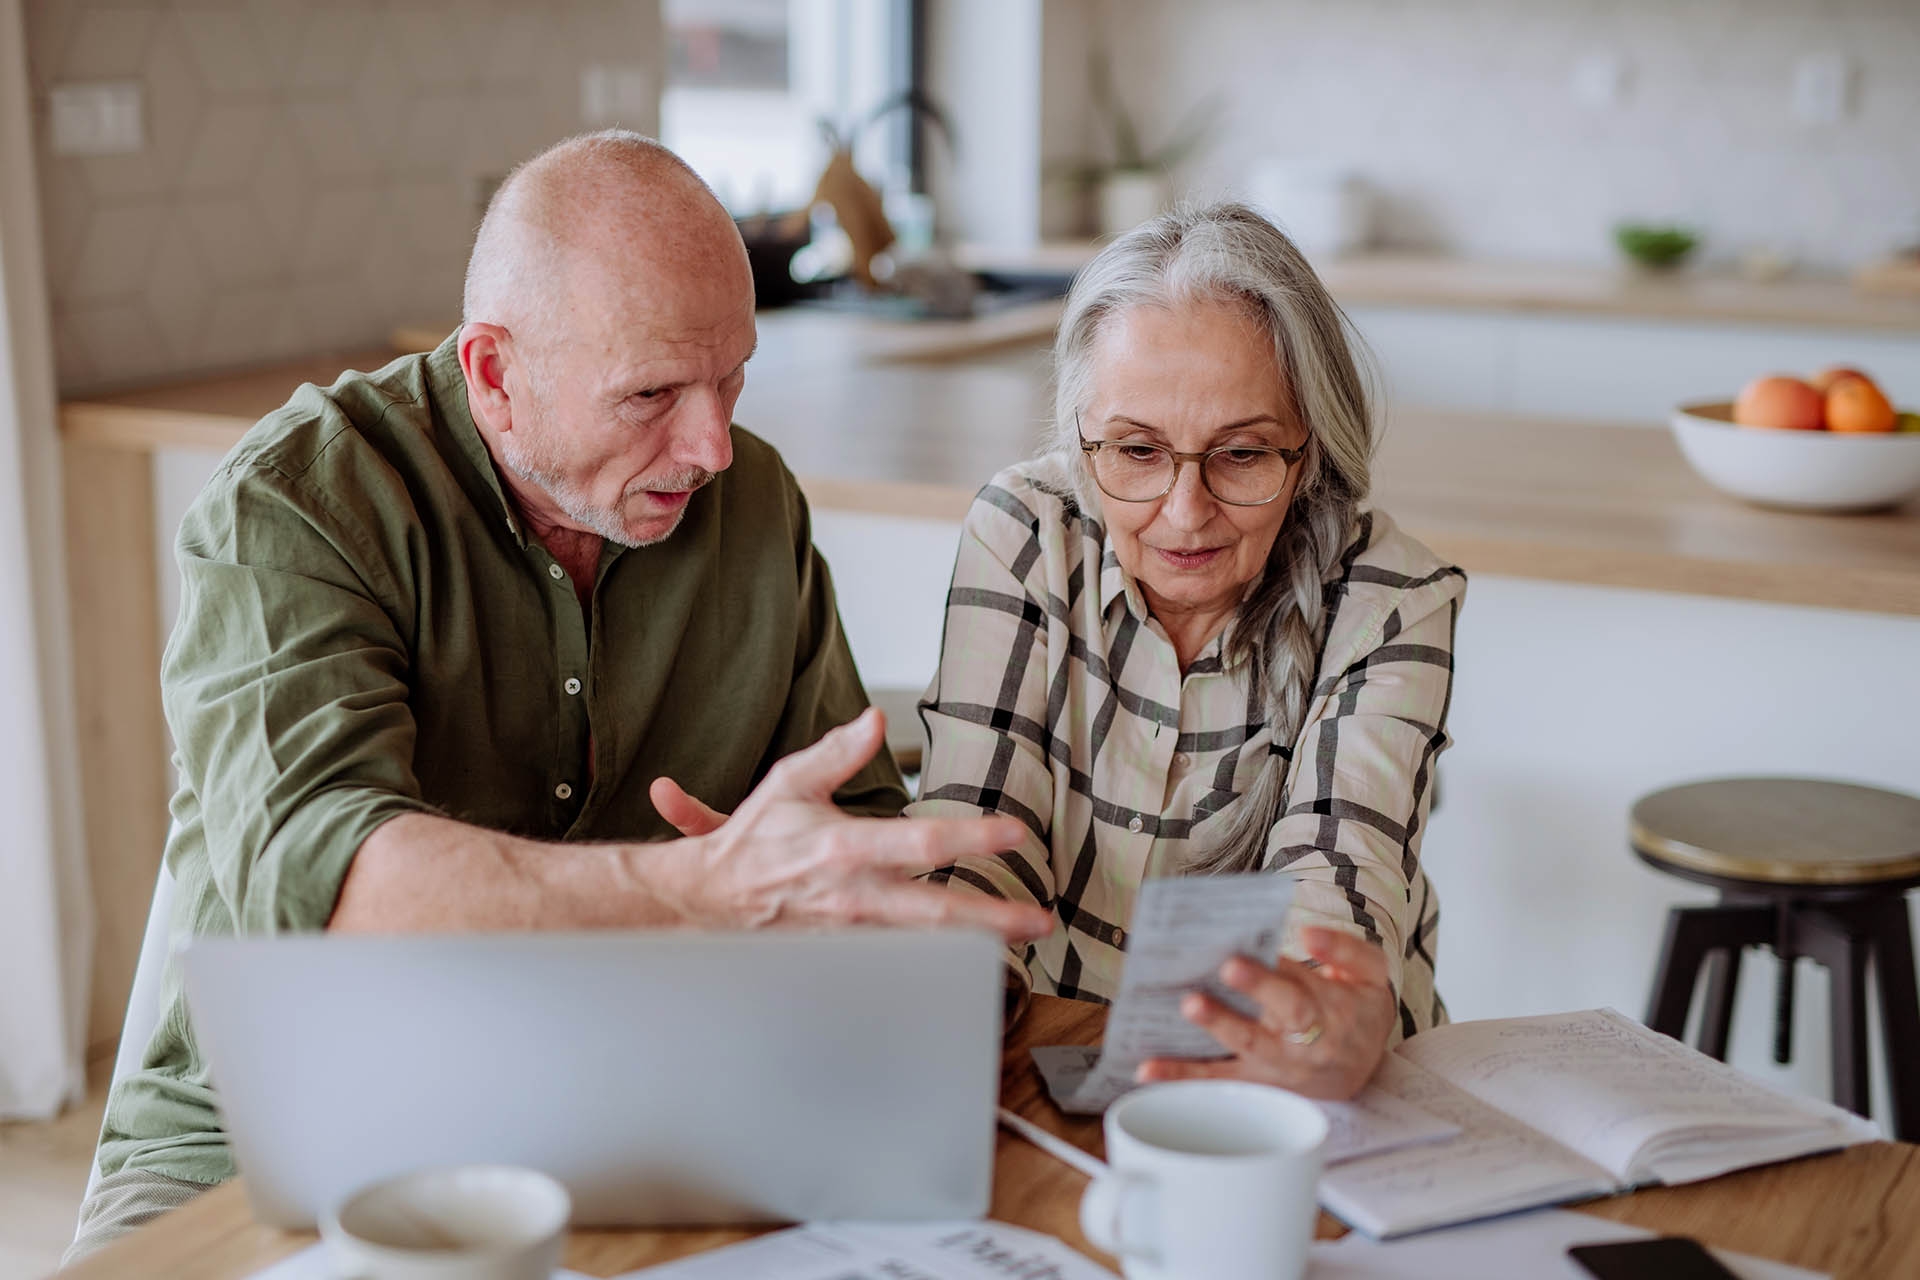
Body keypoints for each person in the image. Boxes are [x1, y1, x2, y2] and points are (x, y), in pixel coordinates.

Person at [67, 130, 1050, 1262]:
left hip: (658, 1111)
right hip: (273, 1148)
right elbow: (339, 888)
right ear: (495, 373)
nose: (714, 445)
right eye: (652, 393)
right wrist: (701, 891)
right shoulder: (297, 509)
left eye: (732, 378)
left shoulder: (757, 506)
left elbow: (855, 837)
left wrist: (847, 902)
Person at [907, 203, 1466, 1101]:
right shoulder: (1025, 529)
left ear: (1309, 449)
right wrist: (930, 957)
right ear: (1082, 437)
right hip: (1056, 1047)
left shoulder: (1393, 595)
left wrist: (1313, 1008)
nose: (1184, 511)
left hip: (1311, 1075)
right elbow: (978, 826)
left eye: (1241, 454)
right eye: (1135, 449)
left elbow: (1338, 869)